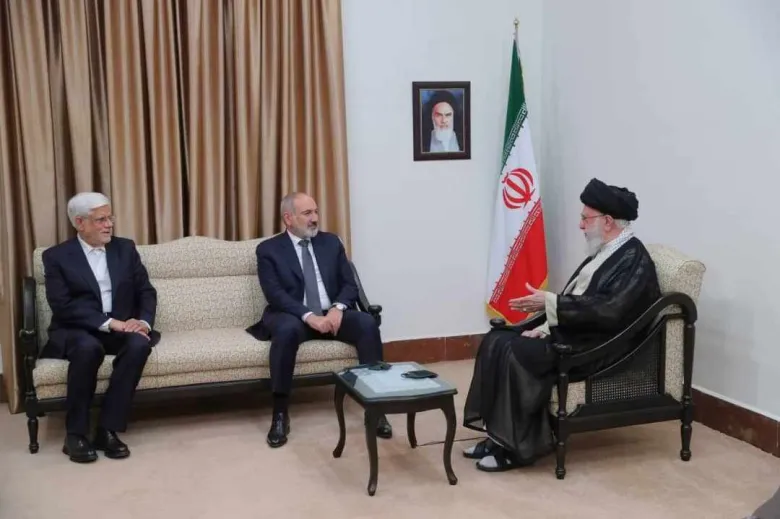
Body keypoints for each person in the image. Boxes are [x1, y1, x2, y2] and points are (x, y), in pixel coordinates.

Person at [462, 178, 661, 472]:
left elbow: (610, 311)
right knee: (497, 340)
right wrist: (546, 322)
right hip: (579, 331)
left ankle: (519, 448)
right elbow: (585, 301)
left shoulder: (635, 259)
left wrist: (551, 303)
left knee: (520, 353)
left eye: (585, 218)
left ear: (608, 221)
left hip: (599, 346)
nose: (580, 225)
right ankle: (498, 438)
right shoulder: (607, 250)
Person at [246, 192, 392, 448]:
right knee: (286, 331)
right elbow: (275, 294)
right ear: (288, 218)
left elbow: (349, 284)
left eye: (315, 212)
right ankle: (280, 414)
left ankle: (376, 406)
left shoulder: (331, 243)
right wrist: (309, 316)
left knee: (367, 324)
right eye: (307, 213)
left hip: (332, 314)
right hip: (294, 315)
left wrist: (337, 308)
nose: (314, 218)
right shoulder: (269, 250)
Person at [41, 192, 159, 463]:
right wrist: (110, 323)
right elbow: (63, 305)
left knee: (139, 344)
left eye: (110, 218)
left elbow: (146, 291)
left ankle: (107, 429)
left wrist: (142, 322)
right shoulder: (56, 257)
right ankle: (75, 434)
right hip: (78, 328)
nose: (109, 225)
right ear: (80, 223)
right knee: (87, 349)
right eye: (101, 220)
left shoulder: (125, 249)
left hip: (121, 327)